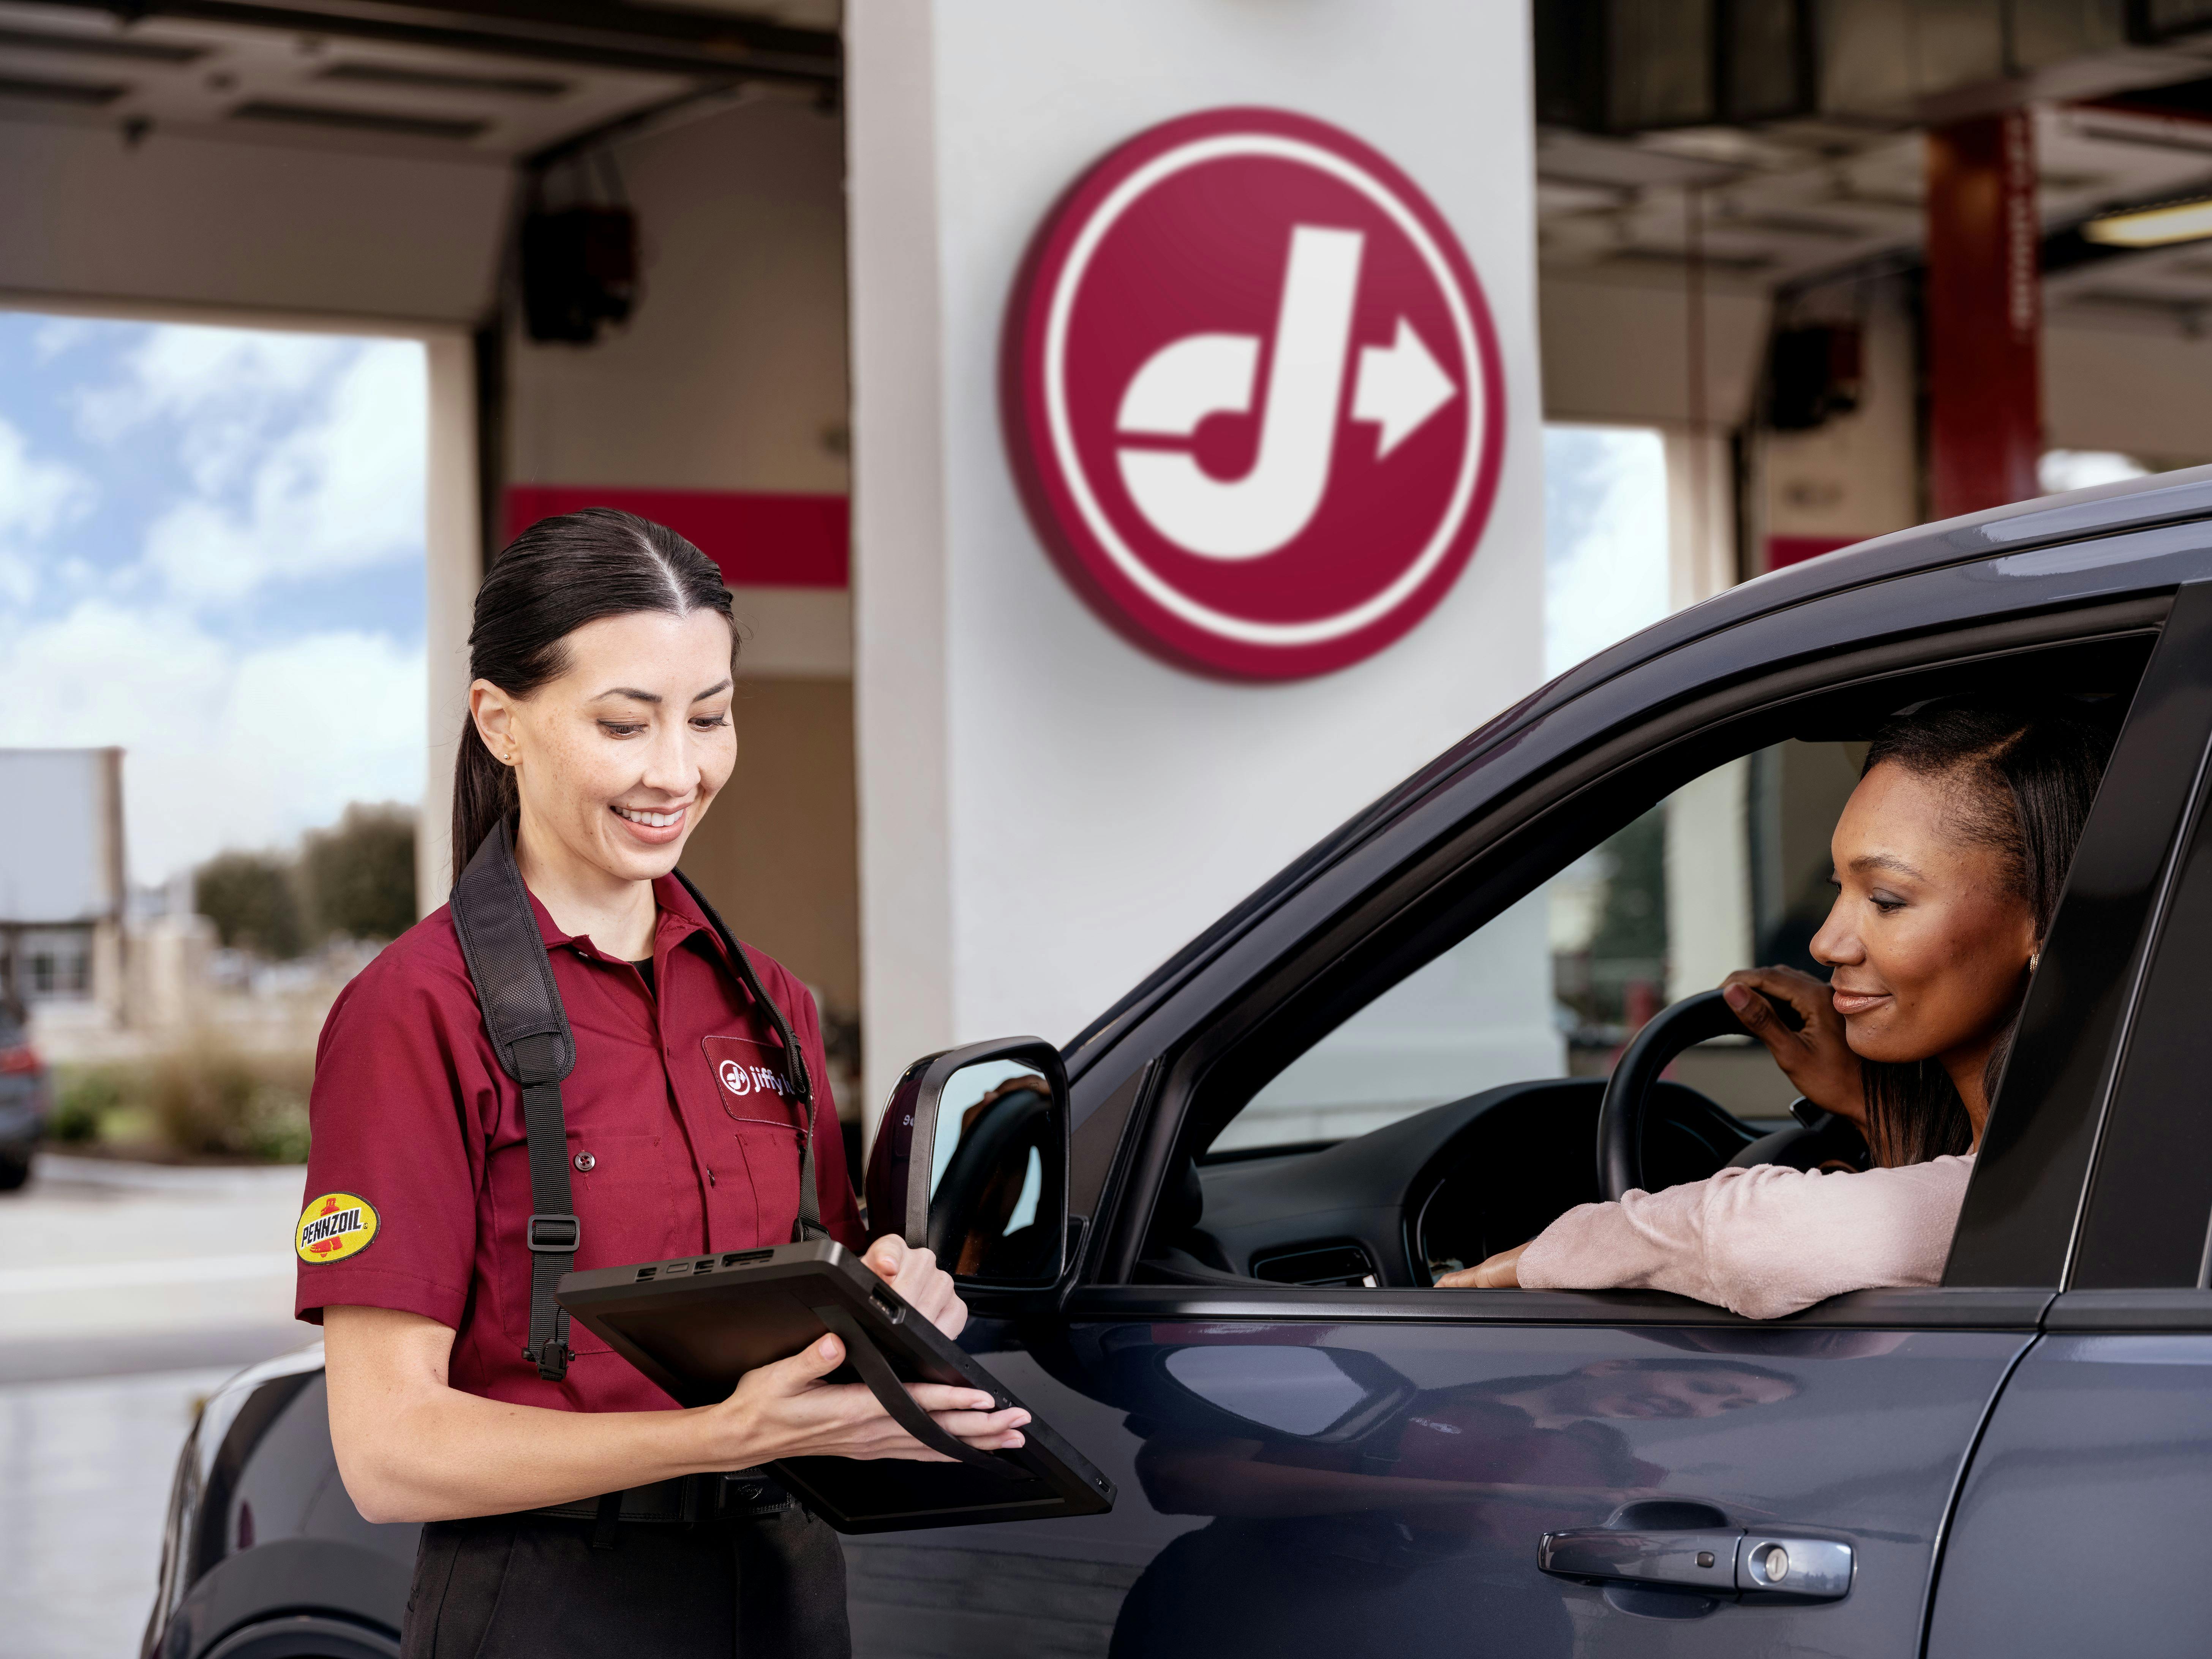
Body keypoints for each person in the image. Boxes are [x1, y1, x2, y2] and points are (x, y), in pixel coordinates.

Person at [292, 509, 1030, 1659]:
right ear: (502, 723)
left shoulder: (770, 1007)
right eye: (625, 724)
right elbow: (390, 1454)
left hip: (785, 1592)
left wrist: (890, 1305)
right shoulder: (416, 1014)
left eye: (711, 717)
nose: (677, 771)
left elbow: (800, 1301)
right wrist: (721, 1438)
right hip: (550, 1611)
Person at [1439, 700, 2112, 1318]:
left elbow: (1754, 1237)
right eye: (1838, 888)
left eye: (1886, 900)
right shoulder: (2093, 1135)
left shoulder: (2074, 1175)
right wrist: (1869, 1109)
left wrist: (1572, 1247)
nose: (1825, 941)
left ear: (2048, 921)